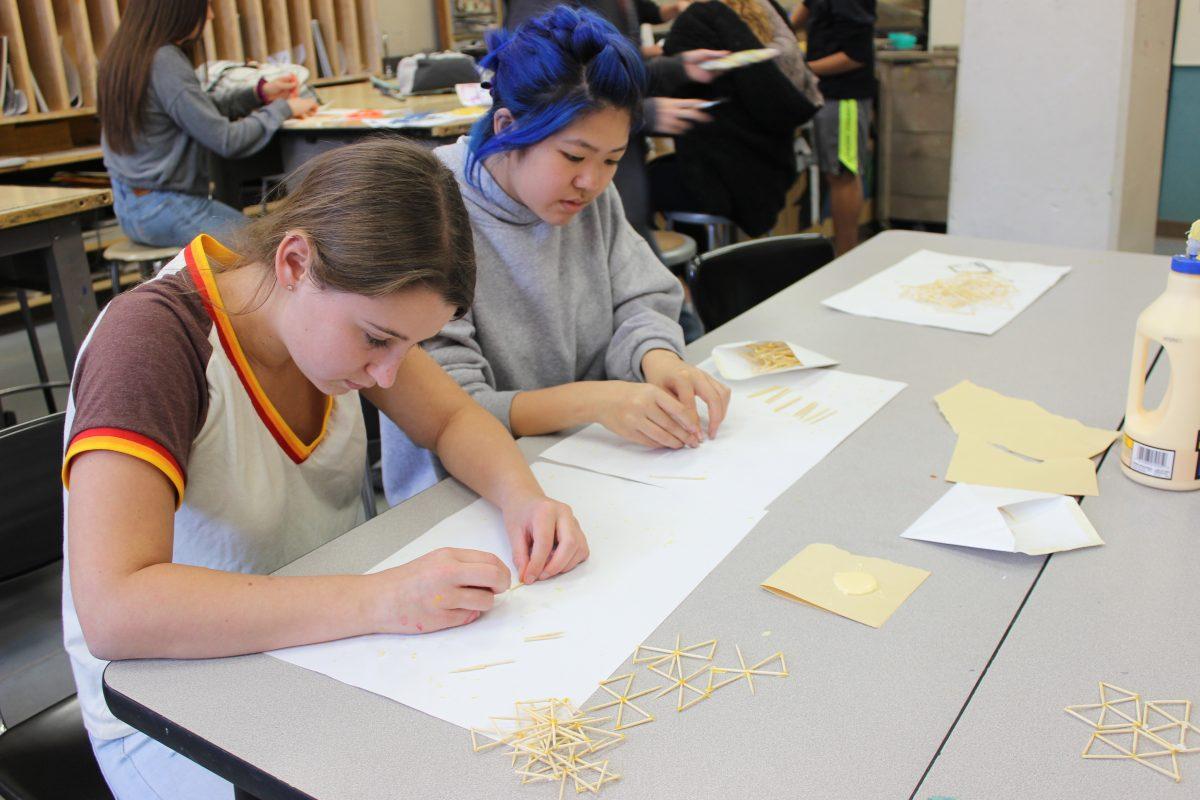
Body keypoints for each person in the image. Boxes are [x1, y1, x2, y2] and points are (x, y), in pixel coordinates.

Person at [64, 139, 589, 800]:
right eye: (376, 339)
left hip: (325, 648)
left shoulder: (332, 324)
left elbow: (454, 419)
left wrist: (524, 501)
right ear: (293, 261)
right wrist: (383, 598)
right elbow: (116, 608)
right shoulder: (150, 345)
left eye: (409, 345)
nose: (388, 374)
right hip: (176, 711)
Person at [380, 6, 731, 505]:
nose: (591, 181)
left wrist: (658, 360)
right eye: (573, 156)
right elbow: (452, 410)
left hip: (587, 464)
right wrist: (596, 401)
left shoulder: (586, 196)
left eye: (612, 159)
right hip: (461, 500)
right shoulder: (430, 211)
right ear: (505, 125)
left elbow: (639, 299)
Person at [97, 0, 318, 248]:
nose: (210, 16)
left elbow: (195, 110)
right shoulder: (164, 61)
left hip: (132, 207)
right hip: (167, 207)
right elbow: (227, 140)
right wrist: (283, 109)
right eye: (205, 7)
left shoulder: (125, 55)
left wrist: (260, 94)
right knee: (270, 250)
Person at [651, 0, 820, 237]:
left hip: (720, 183)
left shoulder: (699, 19)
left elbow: (663, 93)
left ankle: (692, 266)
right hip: (772, 173)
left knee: (639, 187)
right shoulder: (771, 11)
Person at [790, 0, 876, 255]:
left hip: (845, 98)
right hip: (826, 94)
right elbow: (801, 13)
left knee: (843, 175)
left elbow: (855, 56)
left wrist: (802, 70)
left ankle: (846, 255)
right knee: (834, 173)